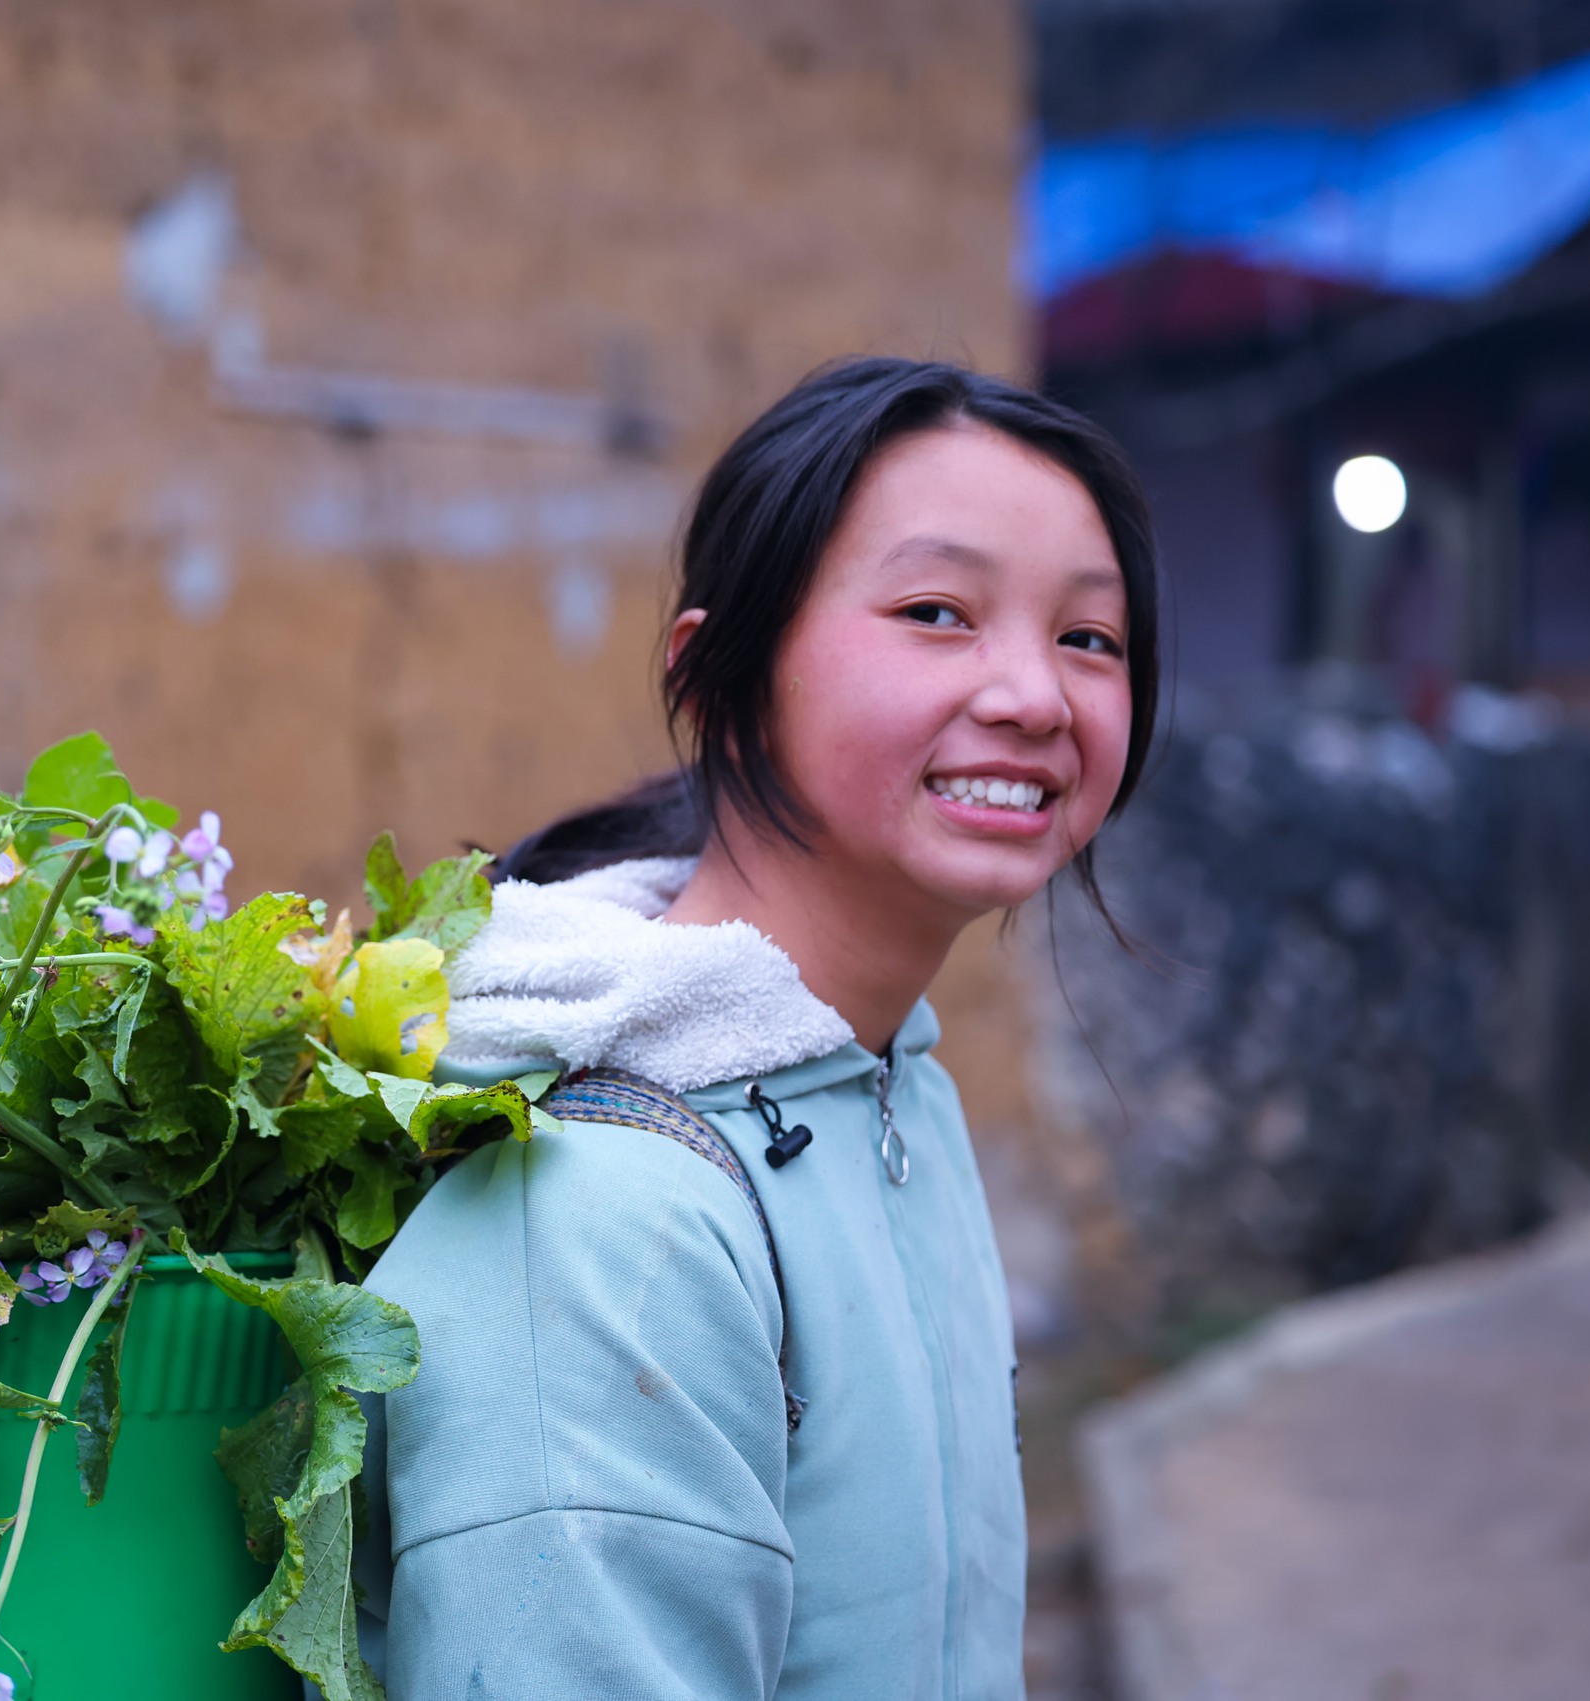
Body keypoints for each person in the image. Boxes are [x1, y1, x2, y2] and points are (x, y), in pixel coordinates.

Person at [354, 357, 1160, 1700]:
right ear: (722, 680)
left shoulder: (886, 1084)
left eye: (1090, 636)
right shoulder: (605, 1222)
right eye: (937, 611)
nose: (1035, 694)